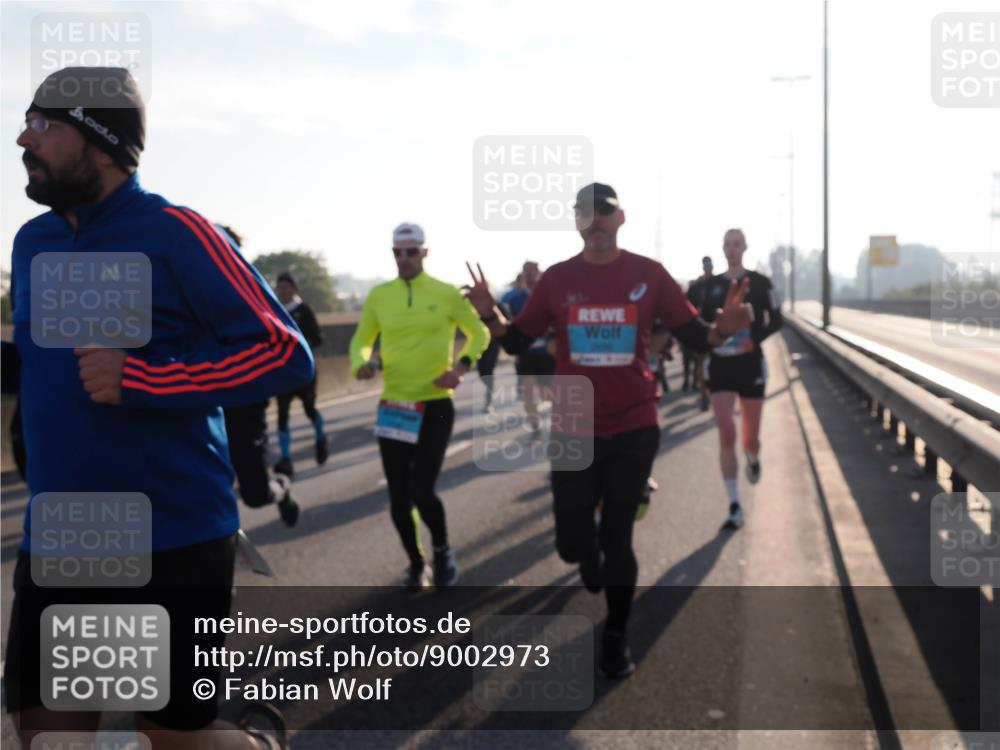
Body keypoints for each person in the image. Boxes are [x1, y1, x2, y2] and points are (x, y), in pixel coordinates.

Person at [7, 67, 314, 750]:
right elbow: (44, 363)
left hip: (170, 537)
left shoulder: (181, 233)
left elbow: (283, 353)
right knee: (47, 740)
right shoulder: (34, 242)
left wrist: (145, 378)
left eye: (43, 123)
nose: (23, 138)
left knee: (176, 740)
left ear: (101, 141)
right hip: (62, 537)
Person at [465, 183, 750, 678]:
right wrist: (490, 313)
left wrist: (723, 329)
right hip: (574, 420)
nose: (595, 220)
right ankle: (586, 553)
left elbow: (697, 338)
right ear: (576, 221)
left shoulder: (649, 275)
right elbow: (517, 343)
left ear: (621, 219)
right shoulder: (557, 280)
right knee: (572, 546)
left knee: (619, 539)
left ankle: (616, 636)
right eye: (585, 213)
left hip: (635, 423)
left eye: (604, 212)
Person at [349, 222, 490, 590]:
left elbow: (480, 332)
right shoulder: (380, 296)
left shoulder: (445, 293)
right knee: (398, 496)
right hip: (395, 403)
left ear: (425, 252)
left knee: (421, 489)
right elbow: (362, 340)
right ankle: (416, 562)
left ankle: (442, 550)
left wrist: (461, 367)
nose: (405, 258)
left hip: (436, 404)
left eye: (412, 251)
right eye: (398, 252)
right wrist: (360, 364)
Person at [699, 229, 783, 529]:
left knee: (750, 438)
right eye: (727, 245)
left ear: (745, 247)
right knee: (726, 433)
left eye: (737, 244)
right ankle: (734, 503)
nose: (732, 249)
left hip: (750, 366)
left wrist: (754, 339)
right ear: (723, 249)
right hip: (721, 366)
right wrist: (718, 330)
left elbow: (778, 319)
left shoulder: (761, 283)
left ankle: (753, 456)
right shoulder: (712, 286)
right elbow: (701, 322)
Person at [218, 226, 300, 527]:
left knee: (254, 494)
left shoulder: (256, 297)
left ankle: (281, 486)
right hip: (201, 403)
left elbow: (283, 350)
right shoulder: (188, 292)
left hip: (244, 406)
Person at [273, 271, 328, 477]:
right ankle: (286, 458)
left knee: (309, 408)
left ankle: (321, 438)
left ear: (294, 289)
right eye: (280, 287)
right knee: (282, 415)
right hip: (283, 372)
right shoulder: (274, 310)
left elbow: (318, 338)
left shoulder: (304, 311)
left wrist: (302, 350)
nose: (283, 291)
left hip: (304, 371)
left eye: (287, 287)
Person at [500, 261, 555, 441]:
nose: (530, 275)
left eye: (533, 271)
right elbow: (509, 325)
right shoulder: (515, 298)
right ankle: (536, 428)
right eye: (526, 272)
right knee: (529, 394)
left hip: (548, 355)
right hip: (527, 355)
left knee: (550, 396)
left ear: (540, 273)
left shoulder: (552, 296)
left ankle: (559, 426)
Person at [684, 255, 715, 409]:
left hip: (719, 330)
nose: (708, 270)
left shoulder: (720, 283)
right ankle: (704, 395)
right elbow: (685, 306)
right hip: (702, 331)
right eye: (706, 267)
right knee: (701, 364)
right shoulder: (696, 287)